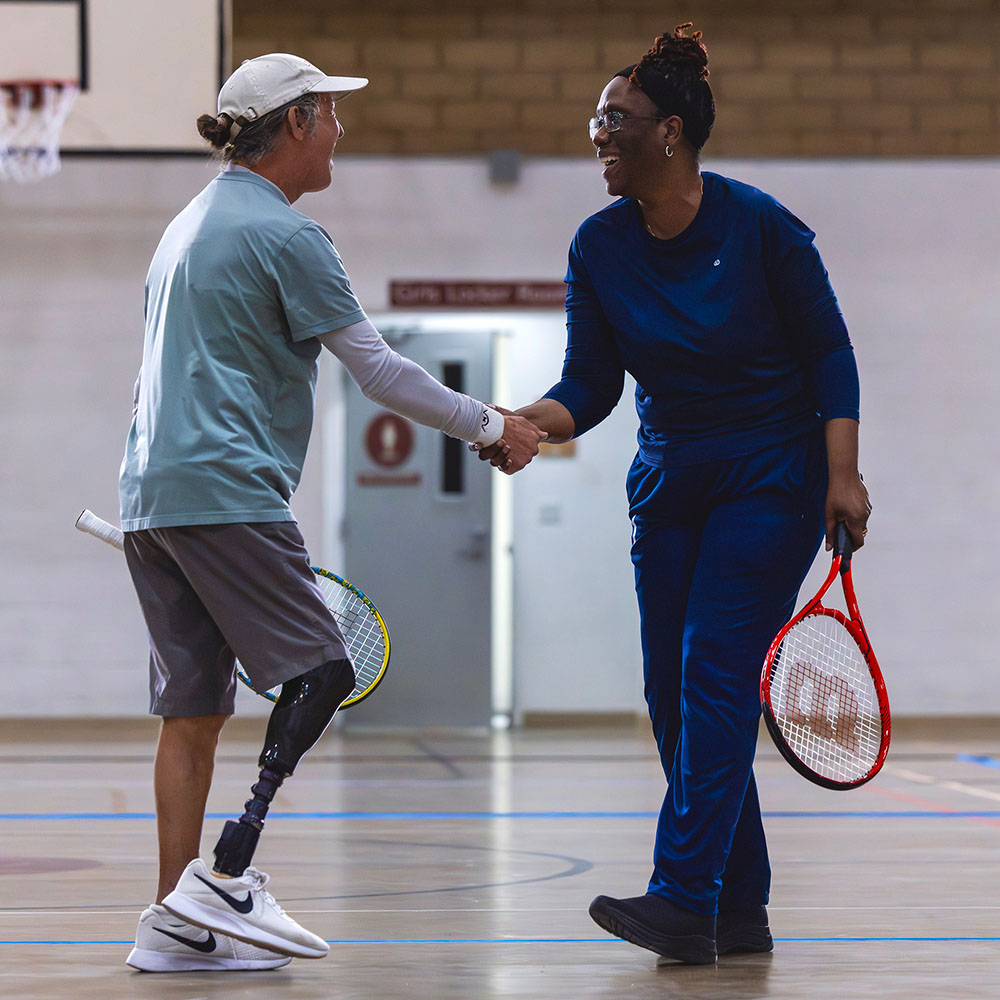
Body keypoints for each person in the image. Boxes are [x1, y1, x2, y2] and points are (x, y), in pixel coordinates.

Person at [120, 52, 545, 974]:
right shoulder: (286, 236)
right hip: (231, 492)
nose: (342, 132)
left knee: (191, 713)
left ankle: (172, 922)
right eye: (332, 114)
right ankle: (229, 871)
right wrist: (492, 424)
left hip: (152, 497)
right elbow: (380, 371)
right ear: (299, 122)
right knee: (322, 671)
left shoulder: (183, 226)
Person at [477, 25, 871, 964]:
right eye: (596, 121)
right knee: (674, 694)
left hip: (774, 473)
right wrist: (525, 421)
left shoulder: (762, 224)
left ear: (672, 133)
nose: (599, 137)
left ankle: (682, 896)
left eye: (617, 120)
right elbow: (593, 383)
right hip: (672, 476)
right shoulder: (599, 245)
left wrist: (844, 472)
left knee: (714, 669)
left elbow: (831, 352)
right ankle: (739, 910)